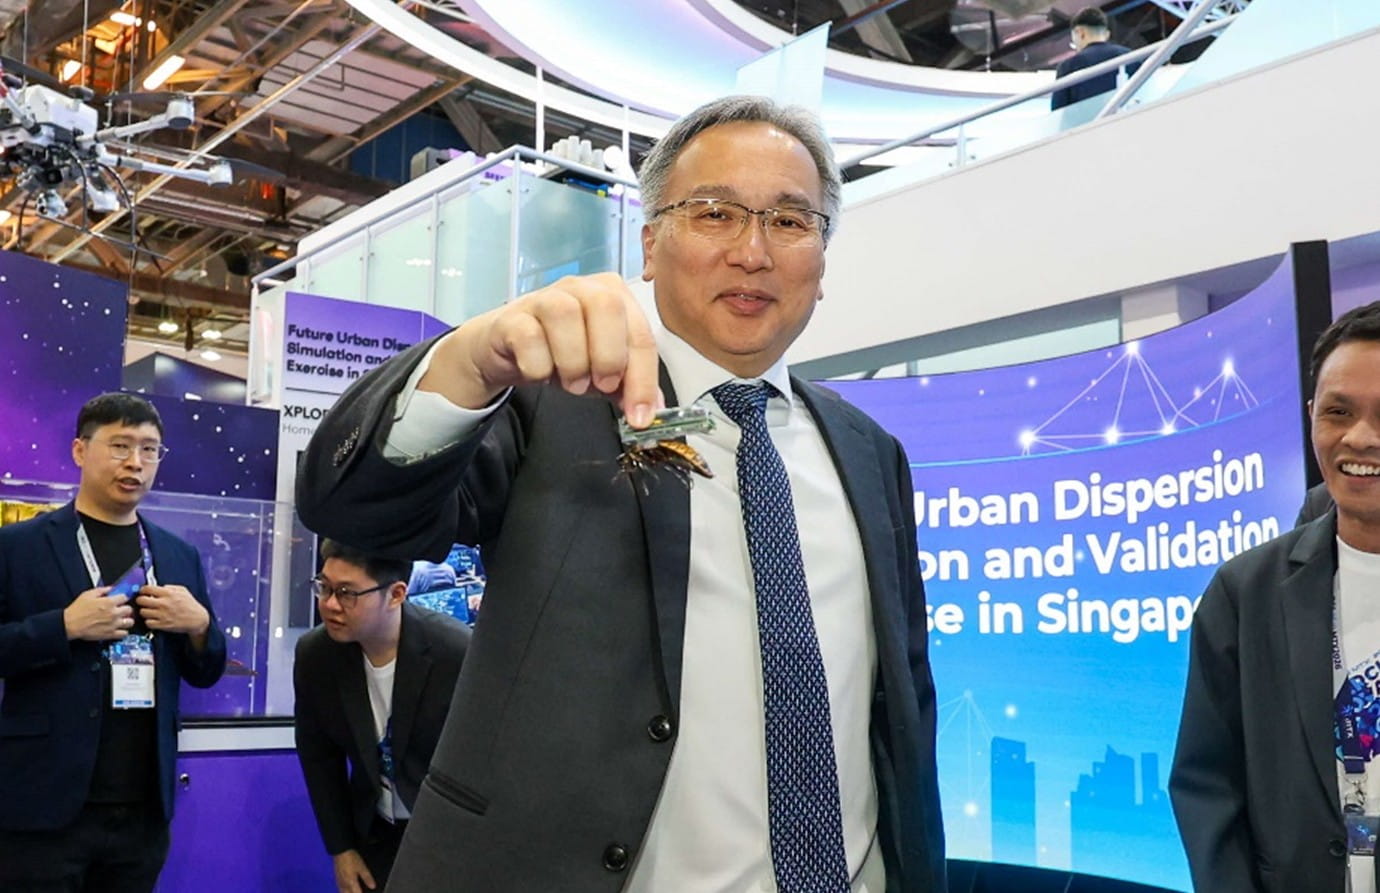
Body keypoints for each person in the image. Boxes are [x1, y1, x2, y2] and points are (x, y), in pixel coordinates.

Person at [297, 95, 947, 892]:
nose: (752, 251)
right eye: (714, 213)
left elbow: (904, 712)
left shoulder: (870, 453)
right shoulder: (550, 402)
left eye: (788, 220)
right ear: (650, 243)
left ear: (821, 258)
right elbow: (353, 505)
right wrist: (470, 363)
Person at [1169, 300, 1380, 892]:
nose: (1360, 437)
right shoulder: (1245, 593)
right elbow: (1206, 785)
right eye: (1338, 411)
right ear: (1312, 416)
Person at [0, 392, 226, 892]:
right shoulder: (17, 547)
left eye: (150, 450)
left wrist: (199, 625)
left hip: (142, 809)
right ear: (80, 451)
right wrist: (62, 626)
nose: (136, 463)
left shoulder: (176, 554)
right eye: (120, 445)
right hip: (42, 806)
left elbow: (205, 670)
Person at [293, 539, 471, 893]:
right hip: (375, 835)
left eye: (347, 593)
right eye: (323, 587)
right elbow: (319, 758)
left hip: (451, 843)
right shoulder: (317, 655)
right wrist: (341, 849)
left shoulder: (456, 653)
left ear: (396, 594)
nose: (329, 604)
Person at [1051, 7, 1137, 111]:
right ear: (1107, 34)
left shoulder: (1068, 66)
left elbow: (1058, 112)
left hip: (1088, 125)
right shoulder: (1132, 56)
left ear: (1080, 33)